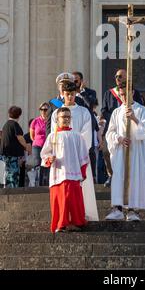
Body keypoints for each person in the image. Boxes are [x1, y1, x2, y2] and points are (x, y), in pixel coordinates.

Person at [51, 81, 99, 222]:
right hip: (63, 157)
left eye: (72, 94)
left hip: (79, 156)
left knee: (83, 186)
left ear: (75, 94)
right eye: (67, 94)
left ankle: (84, 214)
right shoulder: (56, 113)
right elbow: (54, 134)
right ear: (63, 94)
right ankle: (65, 217)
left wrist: (78, 151)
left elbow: (86, 134)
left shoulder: (84, 112)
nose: (70, 97)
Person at [105, 86, 145, 221]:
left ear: (132, 92)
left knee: (134, 177)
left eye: (126, 94)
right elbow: (110, 132)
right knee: (119, 177)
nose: (124, 97)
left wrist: (135, 119)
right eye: (121, 95)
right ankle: (117, 209)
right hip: (120, 151)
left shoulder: (141, 110)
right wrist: (118, 139)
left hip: (135, 151)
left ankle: (132, 210)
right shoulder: (117, 112)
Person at [41, 107, 89, 233]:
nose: (67, 119)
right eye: (64, 117)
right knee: (60, 200)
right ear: (57, 119)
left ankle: (75, 223)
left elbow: (84, 156)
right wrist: (49, 159)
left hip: (73, 174)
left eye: (68, 116)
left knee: (72, 199)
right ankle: (61, 224)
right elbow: (44, 154)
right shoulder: (52, 136)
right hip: (58, 174)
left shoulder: (77, 136)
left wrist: (83, 172)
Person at [101, 68, 145, 187]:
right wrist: (118, 118)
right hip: (115, 126)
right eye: (116, 76)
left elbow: (139, 107)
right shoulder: (109, 93)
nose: (117, 79)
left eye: (120, 76)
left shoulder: (134, 93)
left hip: (132, 133)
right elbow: (104, 110)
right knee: (106, 151)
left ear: (127, 78)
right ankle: (111, 174)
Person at [0, 106, 31, 188]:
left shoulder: (6, 125)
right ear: (19, 115)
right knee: (13, 174)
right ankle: (12, 191)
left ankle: (7, 190)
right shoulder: (15, 125)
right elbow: (20, 138)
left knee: (7, 173)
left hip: (5, 154)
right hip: (12, 154)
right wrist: (27, 146)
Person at [30, 102, 49, 186]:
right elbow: (32, 136)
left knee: (46, 164)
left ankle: (45, 183)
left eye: (45, 109)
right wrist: (38, 141)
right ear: (40, 110)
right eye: (42, 109)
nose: (44, 111)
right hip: (37, 146)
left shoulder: (51, 121)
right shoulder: (35, 121)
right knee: (37, 164)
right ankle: (37, 184)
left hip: (47, 146)